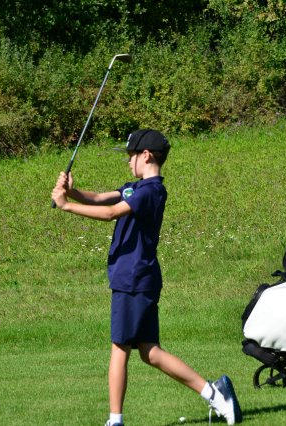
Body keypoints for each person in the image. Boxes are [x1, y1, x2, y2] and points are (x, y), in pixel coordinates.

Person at [51, 129, 242, 426]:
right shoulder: (135, 188)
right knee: (150, 352)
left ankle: (115, 421)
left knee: (120, 347)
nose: (128, 162)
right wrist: (73, 192)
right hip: (137, 278)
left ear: (147, 155)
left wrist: (66, 206)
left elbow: (111, 213)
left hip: (134, 278)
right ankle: (215, 394)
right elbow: (100, 198)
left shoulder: (151, 192)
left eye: (131, 156)